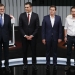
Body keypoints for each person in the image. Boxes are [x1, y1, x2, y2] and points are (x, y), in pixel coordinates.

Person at [19, 2, 39, 71]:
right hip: (24, 38)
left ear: (31, 7)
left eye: (27, 7)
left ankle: (34, 64)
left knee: (34, 51)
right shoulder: (21, 15)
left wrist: (32, 35)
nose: (26, 8)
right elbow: (20, 27)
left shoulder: (36, 15)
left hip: (33, 38)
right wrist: (25, 35)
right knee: (24, 51)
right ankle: (25, 64)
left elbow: (37, 27)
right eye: (25, 7)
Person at [42, 5, 62, 71]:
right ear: (49, 10)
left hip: (55, 38)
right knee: (47, 51)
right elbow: (43, 29)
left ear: (55, 11)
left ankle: (55, 64)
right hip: (47, 37)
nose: (51, 11)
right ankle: (47, 64)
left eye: (53, 10)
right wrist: (43, 38)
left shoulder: (59, 18)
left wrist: (59, 37)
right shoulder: (45, 18)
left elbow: (60, 29)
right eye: (50, 9)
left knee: (55, 52)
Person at [0, 4, 11, 72]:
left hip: (6, 38)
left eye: (3, 9)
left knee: (6, 52)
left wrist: (9, 37)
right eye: (0, 9)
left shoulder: (7, 17)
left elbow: (9, 28)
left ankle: (7, 65)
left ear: (4, 9)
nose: (1, 10)